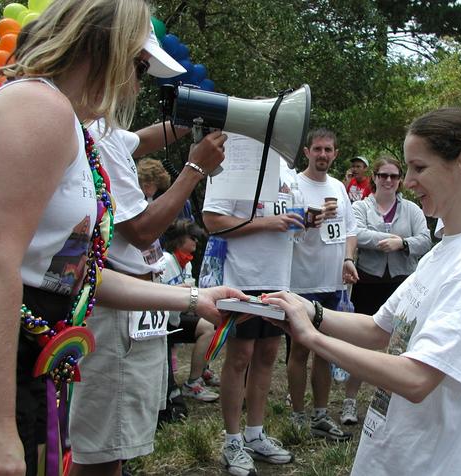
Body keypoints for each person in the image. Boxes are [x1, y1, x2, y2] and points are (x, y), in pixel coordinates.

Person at [0, 2, 245, 475]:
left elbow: (71, 274)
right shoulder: (39, 108)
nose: (135, 85)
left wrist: (193, 298)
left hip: (32, 354)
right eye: (139, 67)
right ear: (103, 46)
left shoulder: (68, 123)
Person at [264, 107, 461, 475]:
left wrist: (313, 338)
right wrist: (307, 310)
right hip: (399, 455)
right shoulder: (445, 251)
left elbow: (417, 379)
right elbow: (378, 329)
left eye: (419, 167)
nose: (408, 181)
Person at [67, 21, 230, 476]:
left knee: (111, 448)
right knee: (101, 455)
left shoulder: (102, 128)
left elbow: (142, 139)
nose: (140, 83)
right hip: (117, 315)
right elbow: (141, 230)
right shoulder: (96, 136)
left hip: (131, 308)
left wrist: (198, 117)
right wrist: (195, 169)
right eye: (139, 68)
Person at [203, 137, 299, 476]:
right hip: (241, 279)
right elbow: (213, 221)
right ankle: (232, 440)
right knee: (240, 357)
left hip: (278, 278)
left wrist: (305, 221)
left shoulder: (287, 167)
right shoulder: (232, 161)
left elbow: (284, 218)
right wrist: (266, 224)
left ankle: (255, 434)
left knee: (268, 355)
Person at [342, 154, 432, 425]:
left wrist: (402, 244)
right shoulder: (361, 206)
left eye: (394, 176)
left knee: (403, 344)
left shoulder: (412, 210)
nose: (388, 180)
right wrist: (391, 239)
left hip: (403, 283)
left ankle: (397, 405)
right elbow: (357, 233)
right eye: (383, 175)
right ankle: (349, 402)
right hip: (368, 281)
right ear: (375, 178)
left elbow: (425, 240)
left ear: (400, 180)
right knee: (361, 344)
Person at [287, 128, 358, 440]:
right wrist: (310, 219)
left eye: (328, 150)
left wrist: (348, 259)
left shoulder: (339, 187)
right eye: (317, 149)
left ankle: (320, 414)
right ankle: (297, 415)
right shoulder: (293, 185)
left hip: (334, 284)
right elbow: (286, 232)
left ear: (335, 154)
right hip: (302, 282)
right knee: (300, 350)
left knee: (326, 351)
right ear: (306, 152)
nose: (323, 154)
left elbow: (350, 230)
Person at [162, 219, 219, 403]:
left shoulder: (186, 263)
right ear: (178, 239)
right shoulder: (165, 260)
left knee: (210, 325)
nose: (196, 241)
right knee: (207, 326)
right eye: (192, 237)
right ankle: (192, 383)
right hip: (161, 324)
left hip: (176, 319)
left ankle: (197, 378)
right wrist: (181, 290)